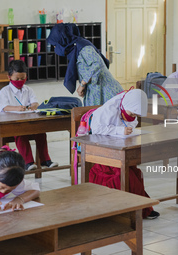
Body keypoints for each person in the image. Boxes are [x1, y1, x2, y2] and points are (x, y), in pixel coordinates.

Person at [90, 89, 160, 219]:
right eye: (132, 113)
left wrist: (127, 129)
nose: (133, 115)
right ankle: (138, 209)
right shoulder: (107, 110)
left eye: (135, 114)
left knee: (133, 170)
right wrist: (119, 130)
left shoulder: (128, 108)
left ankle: (139, 208)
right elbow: (97, 129)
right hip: (103, 149)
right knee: (125, 174)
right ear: (124, 106)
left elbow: (131, 123)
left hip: (119, 147)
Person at [0, 60, 58, 171]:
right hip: (11, 124)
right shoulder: (5, 91)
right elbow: (4, 107)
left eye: (23, 78)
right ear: (9, 77)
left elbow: (35, 102)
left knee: (41, 132)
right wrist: (17, 108)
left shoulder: (28, 90)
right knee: (21, 133)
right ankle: (27, 162)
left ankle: (45, 160)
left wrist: (34, 105)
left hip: (27, 121)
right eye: (17, 79)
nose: (20, 81)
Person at [47, 23, 123, 106]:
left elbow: (97, 63)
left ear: (63, 41)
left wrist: (82, 84)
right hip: (96, 91)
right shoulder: (75, 49)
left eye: (55, 45)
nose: (54, 48)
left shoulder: (84, 48)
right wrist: (84, 87)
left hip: (106, 92)